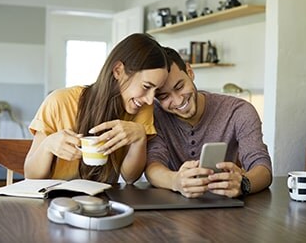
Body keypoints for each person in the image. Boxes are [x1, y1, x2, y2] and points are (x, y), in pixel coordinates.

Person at [24, 33, 169, 184]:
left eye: (156, 91)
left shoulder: (141, 107)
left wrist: (139, 139)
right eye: (146, 86)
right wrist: (47, 146)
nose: (150, 99)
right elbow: (30, 174)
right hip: (57, 200)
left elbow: (130, 177)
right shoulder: (59, 101)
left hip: (105, 200)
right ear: (118, 71)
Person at [145, 47, 272, 198]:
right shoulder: (155, 116)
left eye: (179, 86)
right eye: (164, 97)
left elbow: (262, 167)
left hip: (225, 210)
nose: (178, 100)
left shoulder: (239, 111)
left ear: (190, 72)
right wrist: (175, 181)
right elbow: (152, 165)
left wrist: (243, 184)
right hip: (172, 211)